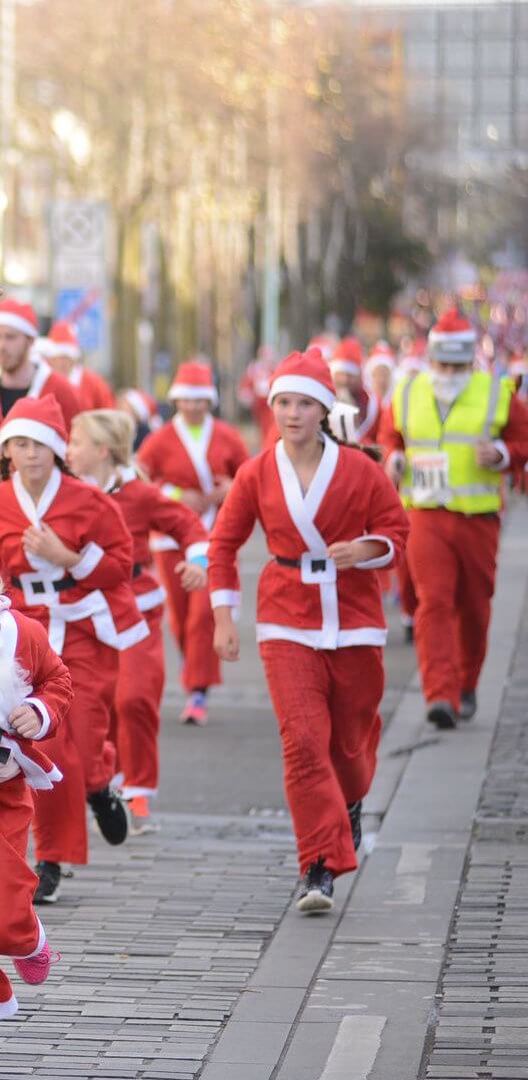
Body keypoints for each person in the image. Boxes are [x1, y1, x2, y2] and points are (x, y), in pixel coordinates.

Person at [209, 348, 408, 913]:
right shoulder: (255, 473)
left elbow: (397, 530)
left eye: (303, 403)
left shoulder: (361, 471)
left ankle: (350, 803)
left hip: (355, 621)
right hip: (286, 618)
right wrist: (225, 618)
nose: (292, 414)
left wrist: (367, 549)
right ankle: (318, 864)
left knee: (349, 743)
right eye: (282, 402)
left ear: (324, 410)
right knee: (301, 741)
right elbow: (223, 545)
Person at [0, 395, 148, 902]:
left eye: (41, 444)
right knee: (49, 743)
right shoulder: (1, 500)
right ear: (9, 452)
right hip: (23, 632)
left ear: (59, 450)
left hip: (84, 627)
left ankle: (98, 782)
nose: (31, 453)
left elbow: (120, 563)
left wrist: (69, 558)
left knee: (81, 739)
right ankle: (52, 859)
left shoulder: (90, 501)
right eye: (20, 443)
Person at [379, 308, 528, 729]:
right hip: (424, 512)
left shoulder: (497, 393)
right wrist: (393, 457)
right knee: (435, 601)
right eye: (442, 364)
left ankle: (466, 684)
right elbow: (390, 435)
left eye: (457, 365)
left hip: (478, 517)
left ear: (470, 362)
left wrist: (502, 455)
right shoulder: (408, 391)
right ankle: (439, 693)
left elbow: (523, 439)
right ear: (431, 360)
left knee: (475, 607)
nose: (448, 372)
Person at [68, 410, 208, 833]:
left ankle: (139, 790)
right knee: (97, 703)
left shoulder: (138, 494)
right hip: (81, 608)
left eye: (75, 442)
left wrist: (198, 561)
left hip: (136, 605)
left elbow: (189, 525)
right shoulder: (64, 492)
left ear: (101, 450)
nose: (67, 450)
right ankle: (104, 784)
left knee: (135, 697)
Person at [138, 361, 248, 726]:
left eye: (200, 400)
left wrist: (227, 490)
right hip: (171, 542)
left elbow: (249, 478)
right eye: (186, 400)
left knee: (204, 615)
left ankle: (198, 691)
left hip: (216, 539)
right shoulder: (161, 439)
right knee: (182, 618)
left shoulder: (228, 436)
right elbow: (139, 480)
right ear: (176, 401)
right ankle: (193, 671)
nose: (193, 407)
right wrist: (175, 493)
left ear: (210, 401)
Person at [0, 584, 73, 1019]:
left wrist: (39, 710)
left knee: (6, 906)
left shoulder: (22, 632)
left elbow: (59, 681)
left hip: (6, 789)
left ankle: (27, 936)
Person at [0, 298, 80, 429]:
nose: (2, 346)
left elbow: (73, 445)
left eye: (10, 337)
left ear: (30, 340)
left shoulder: (59, 390)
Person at [38, 320, 115, 410]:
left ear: (74, 359)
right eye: (59, 357)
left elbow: (108, 412)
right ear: (50, 359)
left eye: (67, 358)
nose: (63, 363)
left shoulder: (94, 383)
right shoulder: (42, 380)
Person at [329, 337, 380, 443]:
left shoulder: (372, 403)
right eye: (340, 374)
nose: (344, 380)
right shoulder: (323, 397)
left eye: (350, 375)